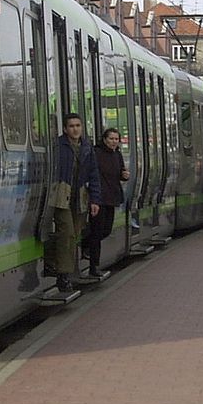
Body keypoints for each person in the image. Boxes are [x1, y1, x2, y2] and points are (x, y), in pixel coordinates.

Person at [49, 113, 101, 292]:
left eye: (78, 125)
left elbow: (94, 174)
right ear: (65, 129)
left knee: (75, 234)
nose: (75, 129)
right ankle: (63, 274)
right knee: (68, 233)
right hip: (61, 194)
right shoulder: (57, 146)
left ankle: (65, 269)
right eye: (71, 126)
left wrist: (95, 199)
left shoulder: (87, 147)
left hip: (80, 196)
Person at [90, 128, 129, 277]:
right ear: (104, 139)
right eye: (111, 139)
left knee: (106, 230)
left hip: (112, 197)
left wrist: (125, 176)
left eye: (116, 139)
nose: (114, 142)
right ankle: (94, 266)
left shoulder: (117, 155)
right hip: (99, 198)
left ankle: (86, 246)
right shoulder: (96, 153)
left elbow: (121, 173)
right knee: (97, 231)